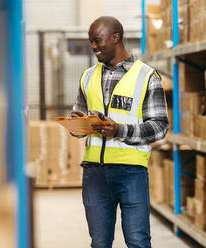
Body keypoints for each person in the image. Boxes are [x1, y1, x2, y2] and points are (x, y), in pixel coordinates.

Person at [70, 16, 169, 248]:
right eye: (91, 42)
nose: (93, 47)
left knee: (137, 241)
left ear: (116, 37)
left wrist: (119, 130)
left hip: (131, 172)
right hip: (94, 173)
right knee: (100, 242)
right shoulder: (87, 76)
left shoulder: (147, 76)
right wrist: (76, 124)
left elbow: (160, 126)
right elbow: (79, 115)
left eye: (97, 41)